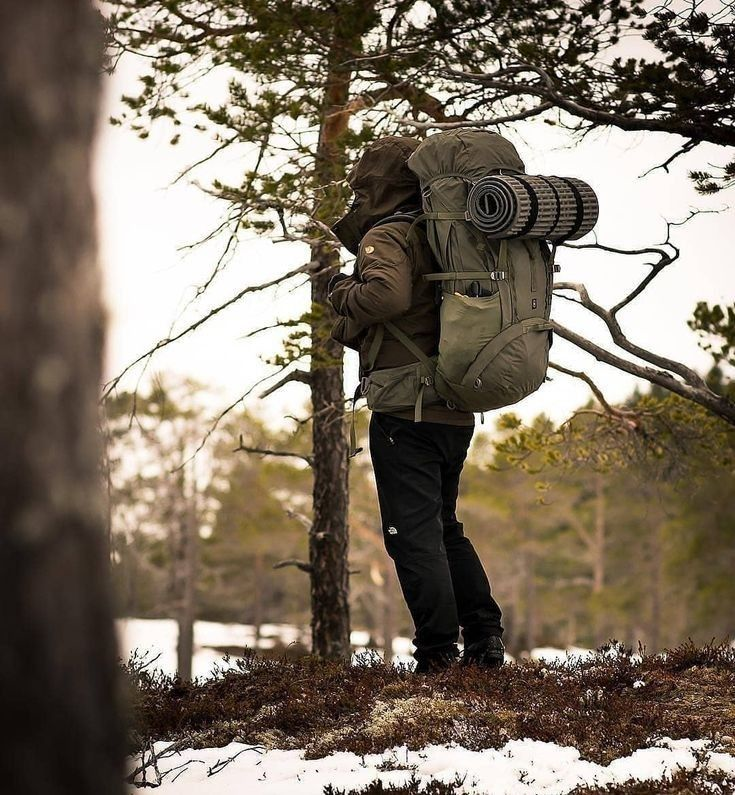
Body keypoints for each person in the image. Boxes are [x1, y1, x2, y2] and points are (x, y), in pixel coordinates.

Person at [328, 136, 505, 674]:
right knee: (445, 527)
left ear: (377, 187)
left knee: (412, 536)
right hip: (453, 403)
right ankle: (484, 642)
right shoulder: (442, 233)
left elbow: (386, 298)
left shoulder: (388, 234)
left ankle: (437, 656)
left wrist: (336, 290)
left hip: (408, 408)